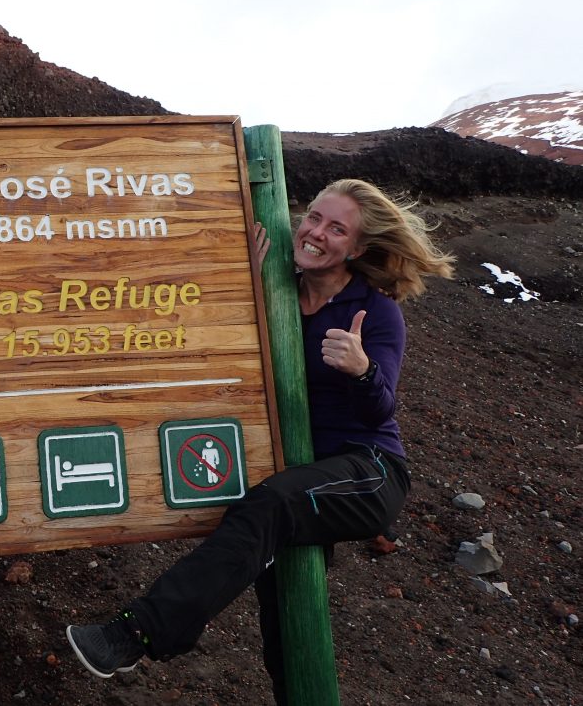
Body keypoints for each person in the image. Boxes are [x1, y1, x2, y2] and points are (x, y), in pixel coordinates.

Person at [65, 178, 455, 703]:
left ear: (358, 248)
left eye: (336, 228)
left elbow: (380, 409)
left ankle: (136, 633)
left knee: (271, 504)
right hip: (300, 476)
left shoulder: (374, 311)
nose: (315, 232)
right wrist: (237, 276)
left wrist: (361, 370)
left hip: (369, 472)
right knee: (288, 633)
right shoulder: (275, 290)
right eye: (313, 217)